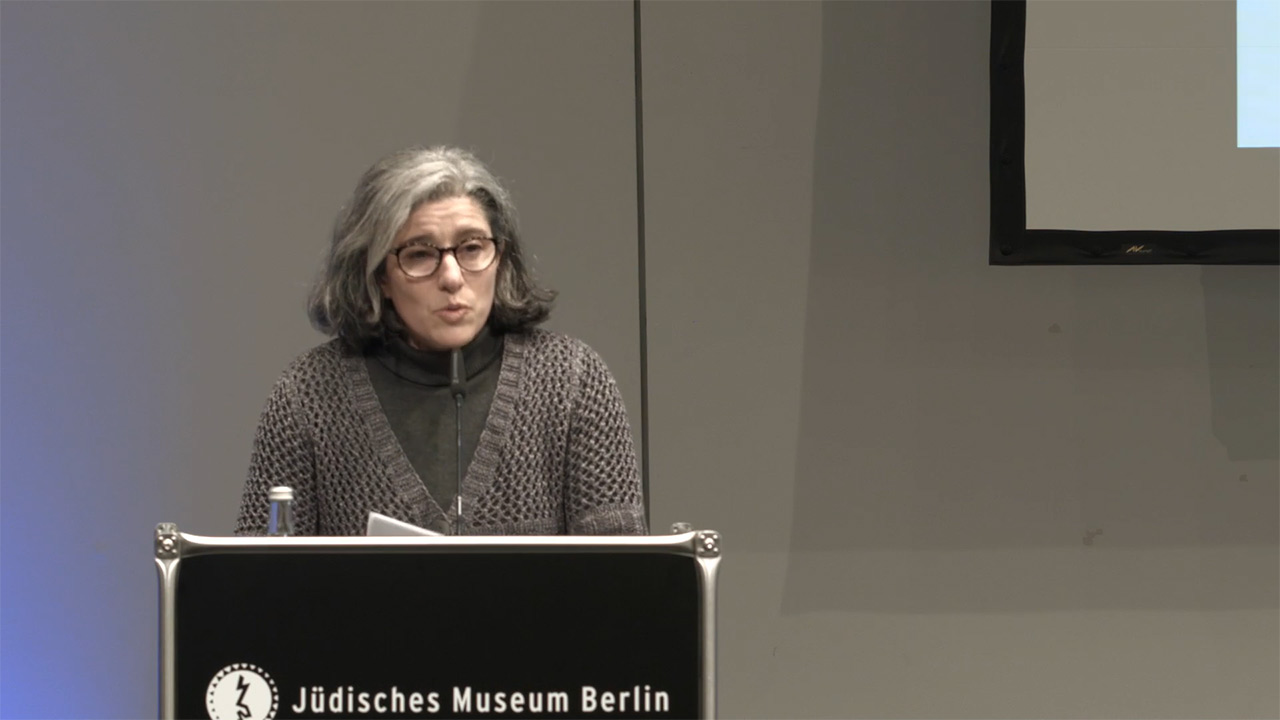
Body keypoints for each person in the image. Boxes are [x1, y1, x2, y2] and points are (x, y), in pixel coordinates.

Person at [234, 146, 646, 536]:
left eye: (471, 248)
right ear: (379, 275)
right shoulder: (308, 395)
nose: (452, 277)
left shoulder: (571, 380)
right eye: (419, 255)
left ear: (500, 258)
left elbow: (628, 581)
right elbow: (254, 585)